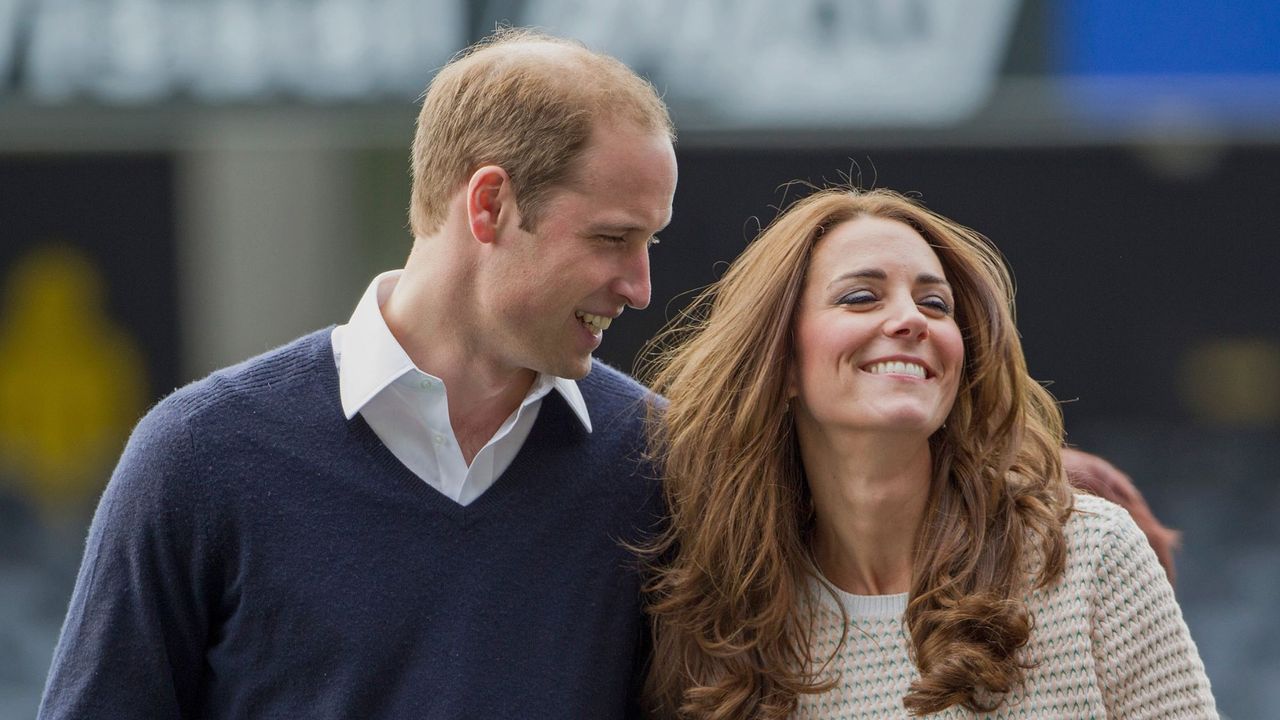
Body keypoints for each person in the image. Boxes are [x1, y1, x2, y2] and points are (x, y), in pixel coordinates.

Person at [39, 29, 677, 718]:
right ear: (490, 204)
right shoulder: (198, 456)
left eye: (651, 241)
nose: (640, 287)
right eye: (612, 238)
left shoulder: (659, 466)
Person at [638, 187, 1216, 718]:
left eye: (936, 304)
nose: (911, 319)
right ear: (782, 363)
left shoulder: (1090, 555)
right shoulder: (722, 625)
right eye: (861, 297)